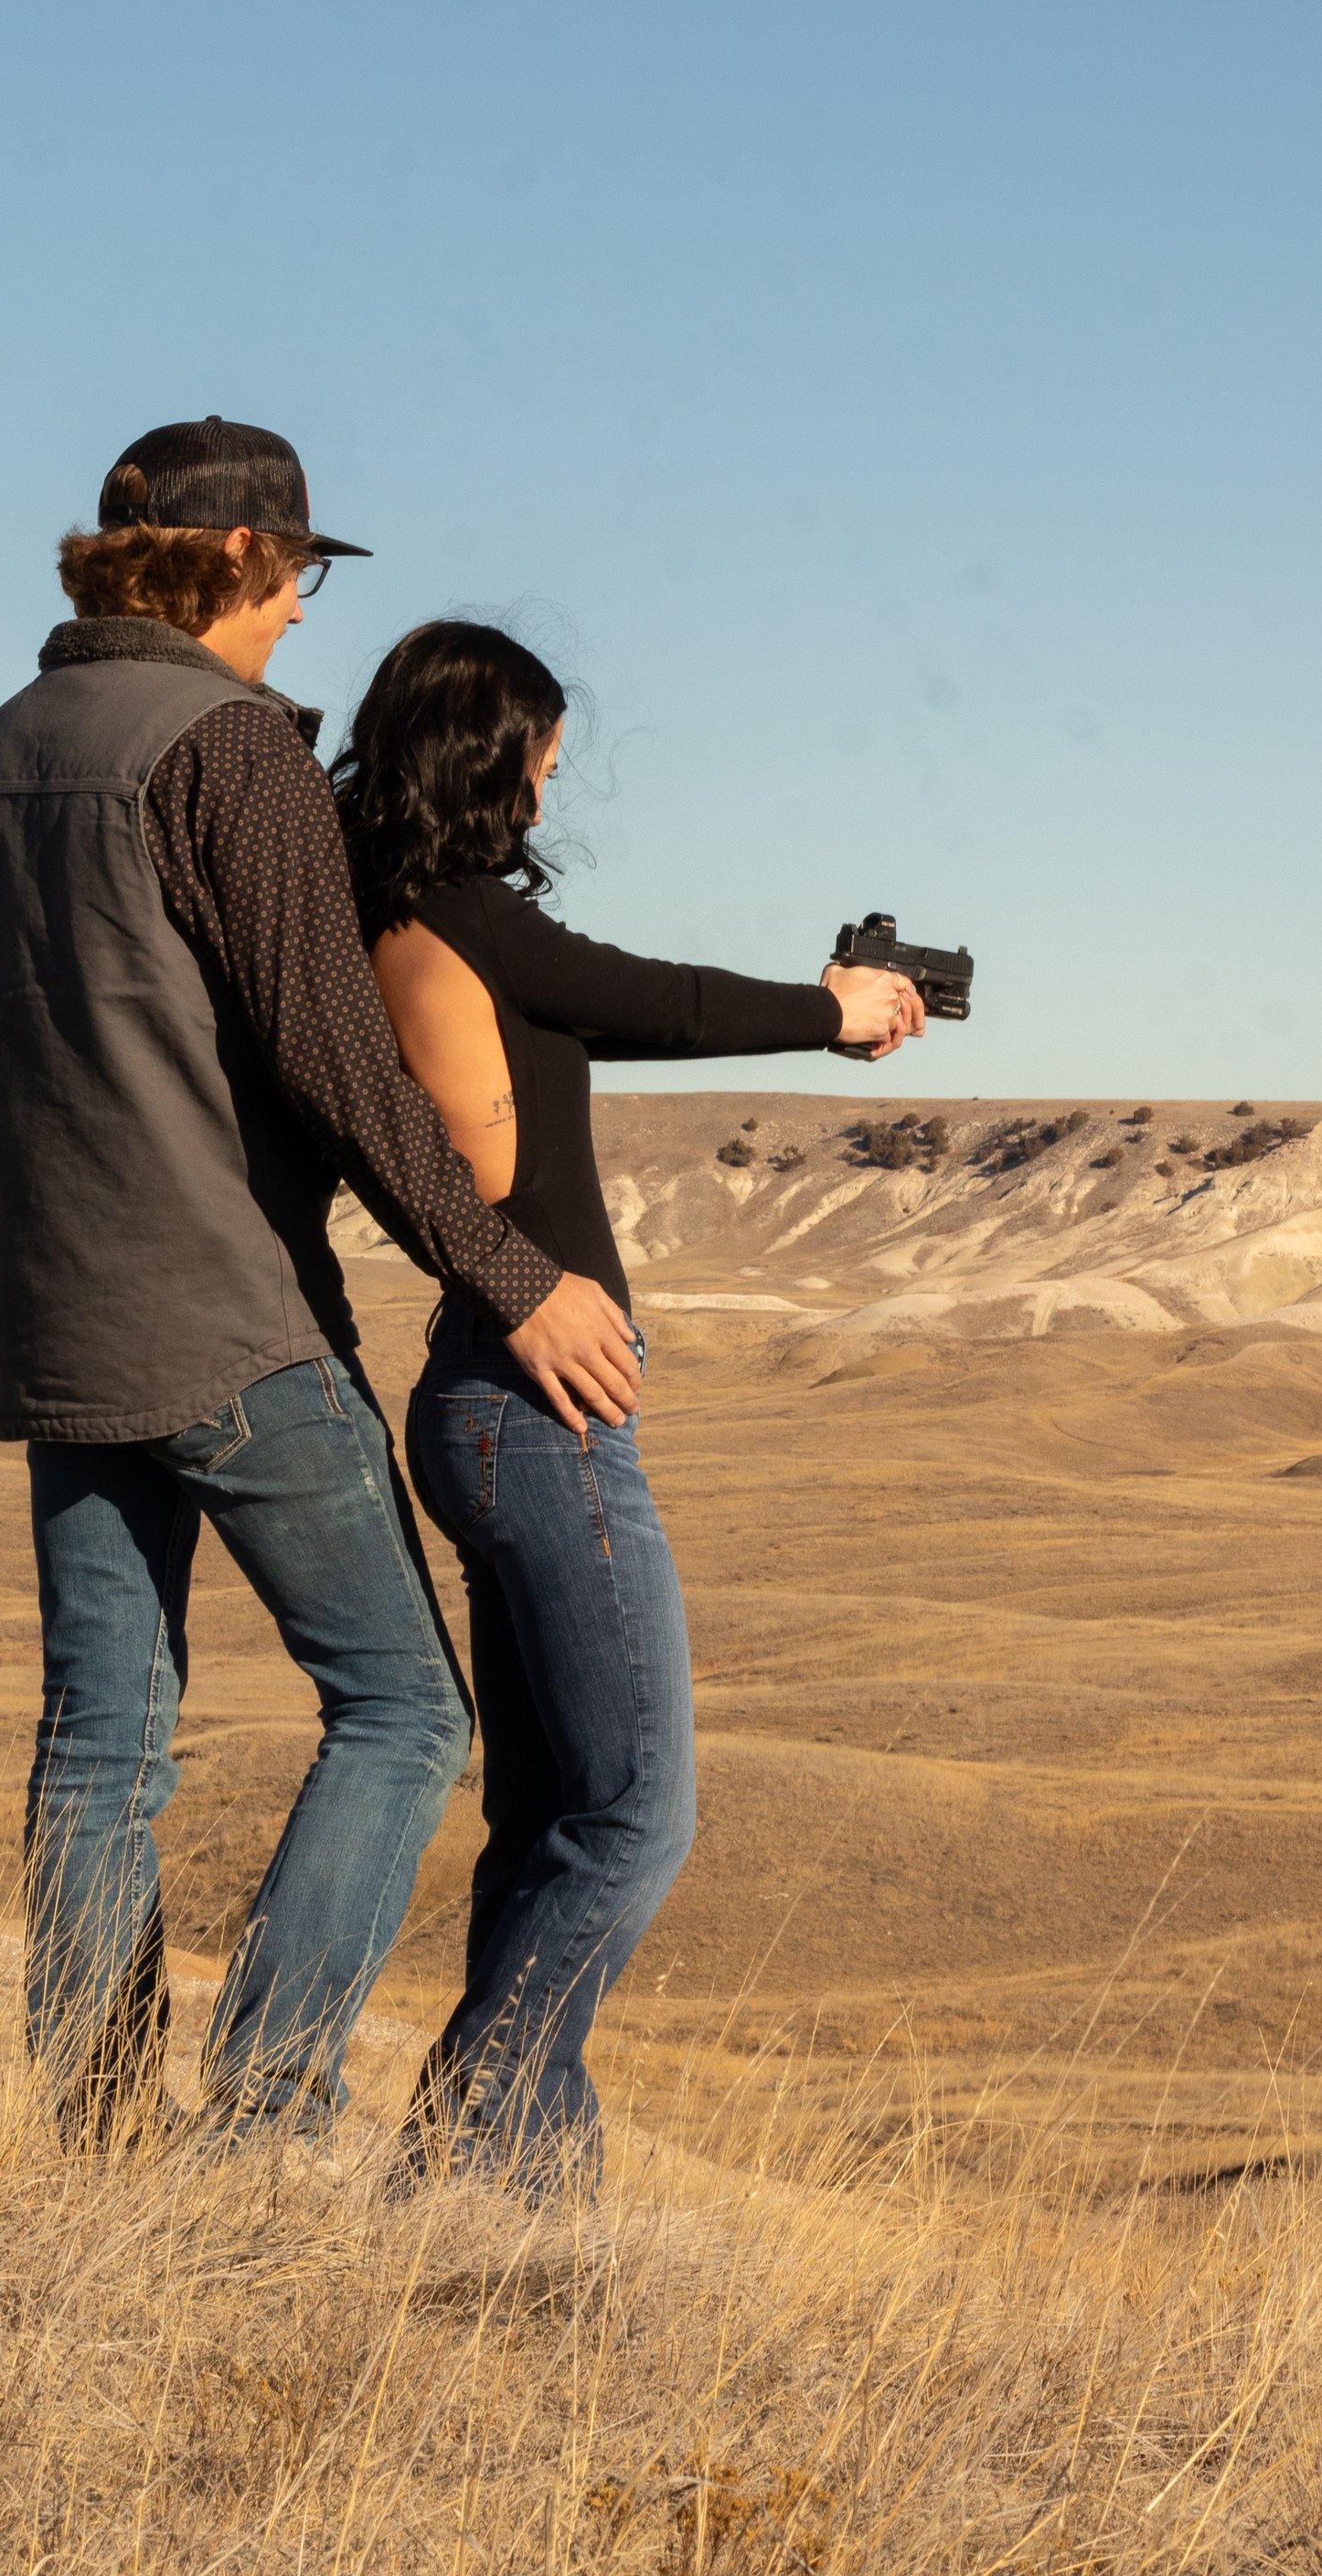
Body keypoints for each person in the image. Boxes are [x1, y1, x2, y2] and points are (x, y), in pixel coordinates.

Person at [0, 420, 642, 2151]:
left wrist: (85, 1184)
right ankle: (261, 2120)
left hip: (57, 1327)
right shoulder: (228, 749)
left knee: (101, 1742)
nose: (305, 608)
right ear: (239, 556)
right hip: (236, 1319)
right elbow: (343, 1067)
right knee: (406, 1712)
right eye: (301, 571)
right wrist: (513, 1278)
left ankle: (98, 2141)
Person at [335, 620, 923, 2193]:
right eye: (537, 756)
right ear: (486, 755)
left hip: (485, 1393)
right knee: (636, 1816)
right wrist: (830, 1010)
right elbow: (657, 996)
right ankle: (468, 2145)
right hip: (539, 1409)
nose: (547, 787)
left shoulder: (399, 911)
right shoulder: (459, 910)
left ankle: (520, 2203)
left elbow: (608, 1011)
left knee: (548, 1819)